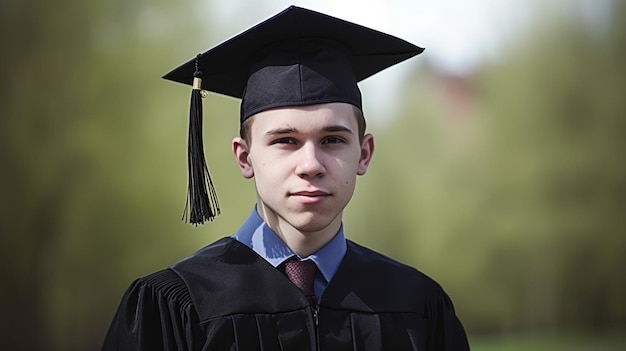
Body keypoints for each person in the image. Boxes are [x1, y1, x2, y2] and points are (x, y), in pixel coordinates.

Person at [102, 6, 470, 351]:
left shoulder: (416, 306)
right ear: (245, 158)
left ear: (364, 153)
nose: (310, 164)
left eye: (332, 140)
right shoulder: (174, 305)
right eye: (285, 141)